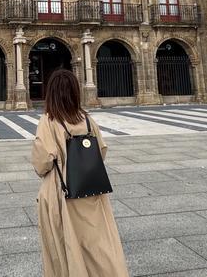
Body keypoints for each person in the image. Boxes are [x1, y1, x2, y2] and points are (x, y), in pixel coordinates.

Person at [31, 69, 129, 277]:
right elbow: (101, 150)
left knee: (66, 242)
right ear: (75, 92)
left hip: (62, 192)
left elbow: (43, 160)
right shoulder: (86, 119)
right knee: (97, 242)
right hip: (90, 190)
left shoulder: (49, 120)